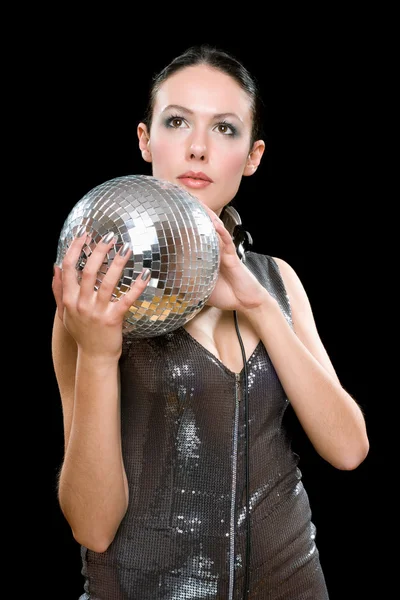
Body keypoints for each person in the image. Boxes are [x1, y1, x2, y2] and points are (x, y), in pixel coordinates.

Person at [51, 44, 369, 599]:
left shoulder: (276, 281)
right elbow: (92, 527)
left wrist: (259, 308)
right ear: (145, 139)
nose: (198, 148)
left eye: (225, 129)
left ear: (253, 155)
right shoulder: (94, 300)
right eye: (177, 122)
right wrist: (99, 355)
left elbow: (348, 449)